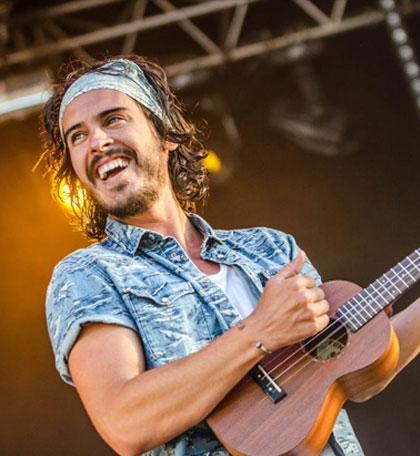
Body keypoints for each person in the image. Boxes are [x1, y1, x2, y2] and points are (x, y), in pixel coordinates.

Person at [42, 55, 420, 456]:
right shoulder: (89, 275)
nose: (97, 142)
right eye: (77, 136)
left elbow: (354, 369)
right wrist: (259, 332)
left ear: (164, 134)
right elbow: (126, 422)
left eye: (113, 119)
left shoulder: (270, 249)